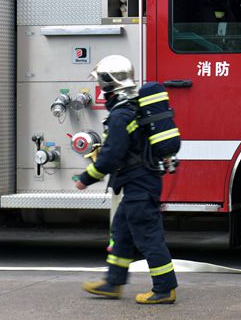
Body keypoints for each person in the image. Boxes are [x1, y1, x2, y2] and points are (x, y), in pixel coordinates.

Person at [78, 55, 178, 304]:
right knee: (121, 231)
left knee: (148, 235)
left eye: (102, 83)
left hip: (139, 185)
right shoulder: (130, 108)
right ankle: (113, 283)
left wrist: (86, 178)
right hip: (140, 182)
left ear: (110, 83)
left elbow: (112, 155)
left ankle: (164, 289)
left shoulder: (121, 114)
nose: (101, 88)